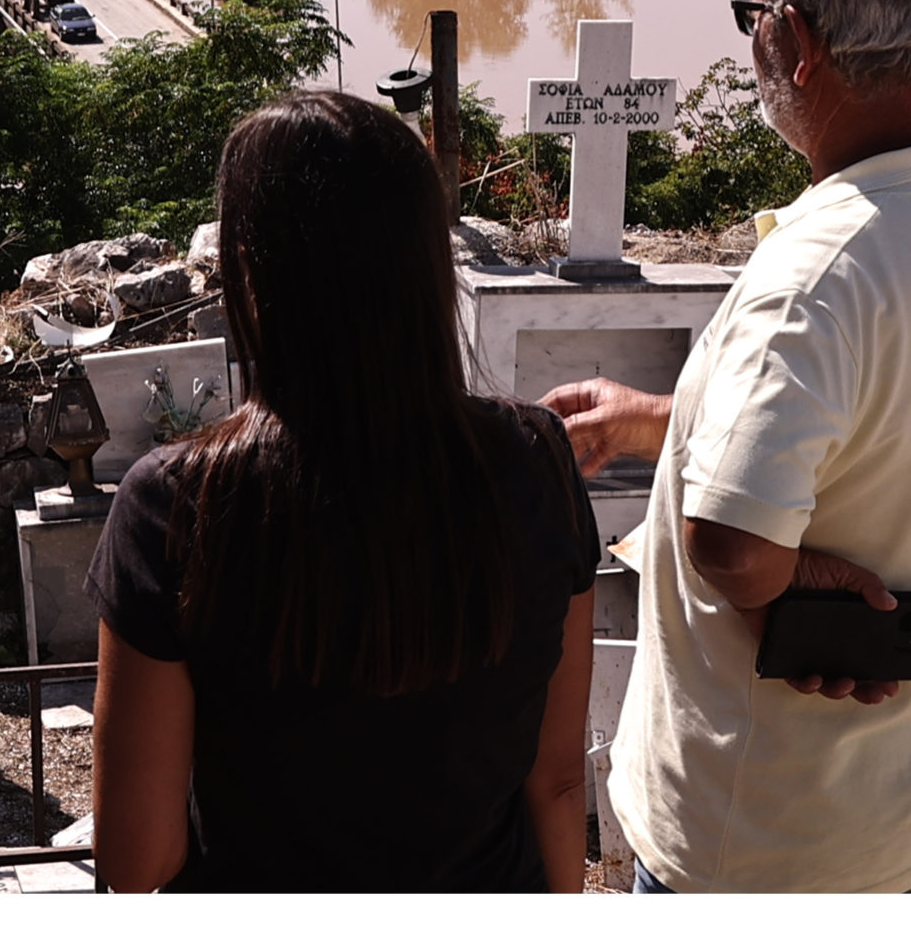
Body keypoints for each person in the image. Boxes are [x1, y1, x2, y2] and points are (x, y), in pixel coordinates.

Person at [546, 0, 911, 894]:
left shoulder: (816, 274)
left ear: (801, 41)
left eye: (753, 14)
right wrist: (667, 419)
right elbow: (899, 415)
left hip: (765, 832)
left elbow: (733, 550)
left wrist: (798, 582)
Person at [87, 90, 598, 893]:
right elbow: (558, 782)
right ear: (427, 266)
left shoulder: (175, 506)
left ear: (252, 275)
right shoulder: (537, 462)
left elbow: (136, 858)